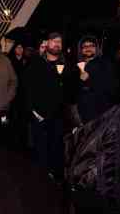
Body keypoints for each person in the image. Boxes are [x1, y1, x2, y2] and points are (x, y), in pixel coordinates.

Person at [23, 32, 77, 182]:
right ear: (47, 44)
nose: (57, 44)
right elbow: (26, 89)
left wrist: (66, 80)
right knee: (40, 152)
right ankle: (39, 181)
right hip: (39, 116)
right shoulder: (36, 63)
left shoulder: (68, 65)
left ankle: (55, 182)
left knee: (57, 150)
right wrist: (33, 112)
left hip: (59, 117)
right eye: (54, 41)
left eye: (59, 42)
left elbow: (72, 94)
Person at [76, 35, 118, 124]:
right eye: (85, 46)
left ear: (97, 48)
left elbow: (111, 88)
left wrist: (90, 77)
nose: (88, 48)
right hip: (82, 117)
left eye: (91, 45)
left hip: (102, 115)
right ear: (81, 49)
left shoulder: (105, 64)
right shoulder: (75, 67)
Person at [8, 42, 29, 149]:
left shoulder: (27, 61)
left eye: (21, 47)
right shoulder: (10, 61)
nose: (20, 49)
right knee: (13, 116)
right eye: (18, 47)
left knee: (22, 118)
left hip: (23, 93)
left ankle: (22, 141)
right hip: (13, 92)